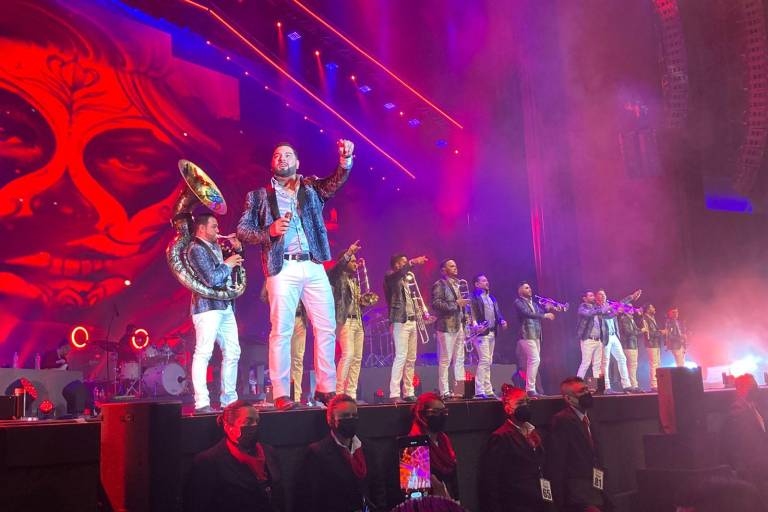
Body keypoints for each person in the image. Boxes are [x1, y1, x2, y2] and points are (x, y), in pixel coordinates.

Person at [238, 140, 355, 411]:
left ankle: (326, 389)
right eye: (277, 155)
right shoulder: (259, 196)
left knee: (326, 326)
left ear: (297, 162)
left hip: (313, 264)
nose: (282, 158)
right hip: (283, 267)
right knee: (282, 330)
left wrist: (345, 160)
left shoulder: (311, 187)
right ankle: (281, 393)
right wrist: (269, 231)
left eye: (288, 154)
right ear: (272, 163)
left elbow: (334, 182)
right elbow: (243, 230)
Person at [184, 400, 284, 512]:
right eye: (248, 422)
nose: (254, 425)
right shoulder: (208, 461)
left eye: (257, 421)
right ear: (228, 427)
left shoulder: (269, 453)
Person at [188, 213, 243, 414]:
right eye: (214, 227)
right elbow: (211, 278)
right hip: (207, 308)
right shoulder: (195, 249)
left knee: (233, 352)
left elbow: (232, 271)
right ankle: (201, 402)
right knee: (204, 353)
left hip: (225, 306)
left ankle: (229, 401)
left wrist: (237, 250)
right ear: (202, 228)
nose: (218, 231)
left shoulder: (216, 247)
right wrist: (228, 264)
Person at [296, 394, 386, 512]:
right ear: (331, 420)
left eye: (354, 416)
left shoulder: (367, 448)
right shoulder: (317, 453)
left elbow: (378, 489)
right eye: (345, 416)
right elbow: (310, 500)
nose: (351, 419)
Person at [478, 385, 550, 512]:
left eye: (527, 402)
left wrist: (549, 502)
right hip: (515, 505)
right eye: (520, 403)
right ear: (508, 408)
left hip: (539, 503)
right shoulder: (500, 437)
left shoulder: (533, 433)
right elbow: (491, 481)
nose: (525, 406)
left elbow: (541, 470)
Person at [547, 376, 607, 512]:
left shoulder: (590, 416)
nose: (587, 393)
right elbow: (557, 462)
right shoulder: (562, 420)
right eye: (581, 391)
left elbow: (597, 455)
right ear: (568, 399)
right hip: (577, 494)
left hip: (598, 487)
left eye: (586, 389)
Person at [384, 253, 428, 402]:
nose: (406, 264)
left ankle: (408, 391)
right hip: (400, 321)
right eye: (404, 262)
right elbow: (397, 275)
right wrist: (413, 262)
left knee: (411, 359)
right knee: (401, 356)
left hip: (412, 321)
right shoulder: (391, 276)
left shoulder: (406, 279)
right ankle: (394, 393)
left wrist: (422, 314)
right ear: (396, 264)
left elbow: (411, 300)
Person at [719, 374, 768, 499]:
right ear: (740, 389)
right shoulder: (736, 413)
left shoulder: (755, 408)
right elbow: (735, 446)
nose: (756, 388)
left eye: (755, 385)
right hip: (752, 471)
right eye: (751, 386)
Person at [327, 240, 364, 399]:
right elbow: (336, 269)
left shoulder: (354, 280)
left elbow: (353, 302)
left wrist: (363, 302)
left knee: (357, 358)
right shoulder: (337, 276)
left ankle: (351, 393)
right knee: (348, 355)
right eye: (352, 261)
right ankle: (339, 392)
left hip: (358, 321)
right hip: (345, 320)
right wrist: (349, 253)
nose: (356, 264)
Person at [260, 283, 308, 401]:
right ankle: (281, 395)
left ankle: (296, 396)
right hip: (284, 319)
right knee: (282, 358)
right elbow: (264, 296)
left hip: (300, 319)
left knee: (297, 359)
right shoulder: (277, 274)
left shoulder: (303, 274)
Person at [409, 392, 460, 500]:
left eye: (444, 412)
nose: (440, 416)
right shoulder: (413, 445)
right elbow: (413, 491)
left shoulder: (444, 440)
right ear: (422, 415)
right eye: (435, 412)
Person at [432, 260, 470, 399]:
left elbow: (460, 306)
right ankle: (444, 391)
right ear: (443, 270)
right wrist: (456, 304)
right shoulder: (439, 284)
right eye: (451, 266)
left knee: (459, 359)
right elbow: (436, 304)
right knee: (445, 359)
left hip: (459, 325)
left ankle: (459, 391)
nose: (455, 267)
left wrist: (465, 315)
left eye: (455, 265)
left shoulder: (458, 284)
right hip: (446, 326)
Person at [513, 282, 556, 398]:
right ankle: (530, 389)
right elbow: (527, 313)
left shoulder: (533, 303)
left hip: (536, 335)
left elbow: (540, 312)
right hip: (526, 334)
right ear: (520, 290)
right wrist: (545, 315)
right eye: (526, 288)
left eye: (529, 287)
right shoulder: (518, 302)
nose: (530, 289)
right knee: (535, 359)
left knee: (534, 361)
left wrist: (547, 308)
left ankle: (530, 389)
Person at [469, 274, 508, 399]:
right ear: (477, 284)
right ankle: (479, 391)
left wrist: (502, 320)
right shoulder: (473, 297)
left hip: (491, 332)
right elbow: (471, 313)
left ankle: (488, 390)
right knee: (484, 360)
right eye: (483, 280)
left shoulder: (492, 297)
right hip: (481, 332)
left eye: (487, 280)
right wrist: (475, 326)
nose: (487, 282)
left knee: (488, 361)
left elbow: (497, 312)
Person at [595, 289, 635, 394]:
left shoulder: (610, 305)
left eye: (604, 294)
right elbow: (605, 316)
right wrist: (616, 312)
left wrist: (631, 297)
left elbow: (620, 303)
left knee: (622, 358)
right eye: (600, 294)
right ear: (597, 297)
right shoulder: (597, 308)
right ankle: (606, 387)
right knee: (605, 362)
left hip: (614, 336)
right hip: (605, 337)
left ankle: (626, 385)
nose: (603, 296)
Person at [575, 291, 605, 382]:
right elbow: (588, 314)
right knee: (585, 363)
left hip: (598, 340)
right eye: (591, 296)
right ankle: (576, 385)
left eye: (593, 295)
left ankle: (598, 387)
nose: (593, 297)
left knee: (597, 365)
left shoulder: (596, 307)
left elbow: (607, 315)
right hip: (588, 340)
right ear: (585, 298)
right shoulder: (582, 307)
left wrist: (615, 311)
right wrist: (600, 309)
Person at [640, 304, 664, 391]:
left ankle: (659, 383)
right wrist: (661, 333)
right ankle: (654, 385)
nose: (654, 308)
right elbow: (648, 333)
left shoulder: (652, 318)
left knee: (658, 364)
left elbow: (654, 331)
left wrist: (659, 332)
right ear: (647, 310)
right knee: (653, 364)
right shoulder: (644, 319)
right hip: (651, 344)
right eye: (652, 307)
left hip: (656, 343)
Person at [617, 306, 641, 392]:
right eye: (630, 308)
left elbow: (636, 330)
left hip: (632, 345)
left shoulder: (631, 319)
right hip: (628, 345)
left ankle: (632, 385)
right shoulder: (625, 319)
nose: (632, 309)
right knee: (631, 366)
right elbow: (628, 332)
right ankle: (633, 386)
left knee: (632, 366)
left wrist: (640, 330)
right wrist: (641, 331)